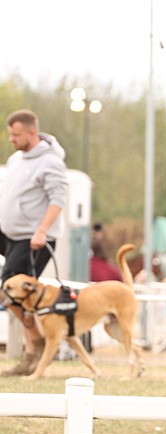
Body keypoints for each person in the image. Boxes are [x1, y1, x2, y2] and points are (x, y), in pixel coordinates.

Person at [0, 109, 67, 376]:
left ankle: (36, 347)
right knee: (17, 294)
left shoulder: (51, 162)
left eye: (16, 135)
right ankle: (33, 351)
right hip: (11, 234)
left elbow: (58, 200)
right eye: (10, 135)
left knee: (11, 290)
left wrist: (42, 230)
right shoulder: (16, 159)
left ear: (31, 132)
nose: (11, 140)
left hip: (34, 238)